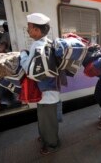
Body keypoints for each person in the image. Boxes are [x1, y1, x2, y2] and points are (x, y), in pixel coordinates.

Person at [20, 13, 61, 155]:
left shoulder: (37, 46)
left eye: (29, 28)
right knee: (46, 118)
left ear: (37, 30)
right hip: (51, 89)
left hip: (45, 92)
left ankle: (52, 144)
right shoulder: (49, 43)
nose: (28, 30)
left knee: (47, 120)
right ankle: (46, 137)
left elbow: (28, 69)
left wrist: (22, 55)